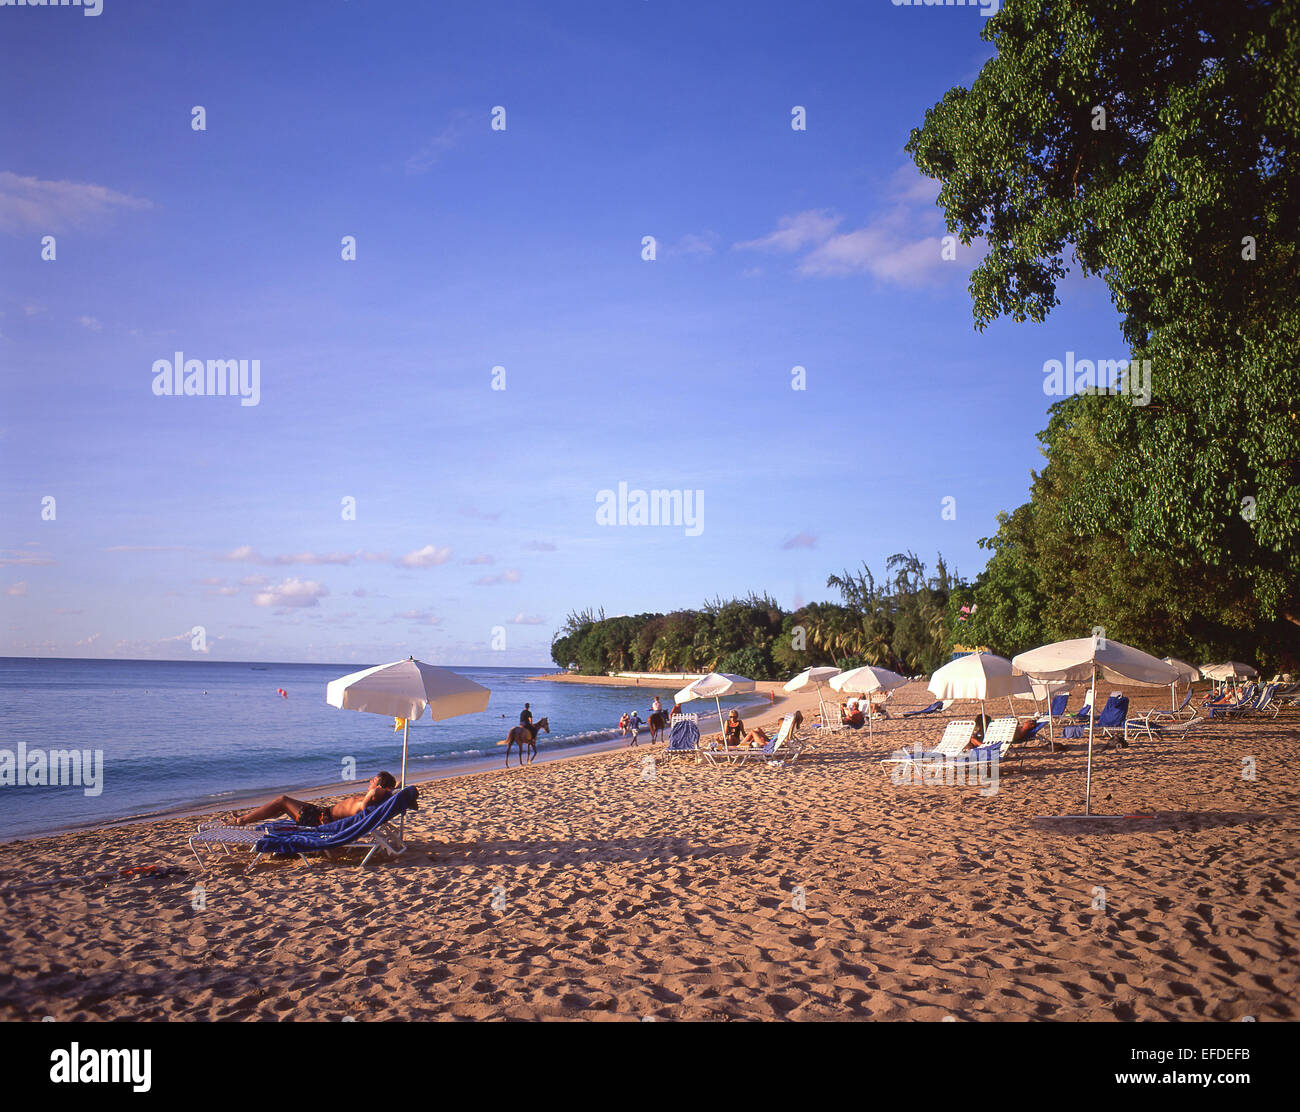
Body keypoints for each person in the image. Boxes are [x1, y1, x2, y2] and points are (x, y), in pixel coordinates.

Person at [231, 772, 398, 828]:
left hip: (320, 820)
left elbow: (364, 807)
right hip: (321, 813)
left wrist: (371, 794)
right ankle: (248, 819)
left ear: (380, 787)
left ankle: (241, 820)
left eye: (374, 781)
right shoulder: (378, 802)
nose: (370, 781)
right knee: (282, 805)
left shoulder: (369, 802)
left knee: (282, 800)